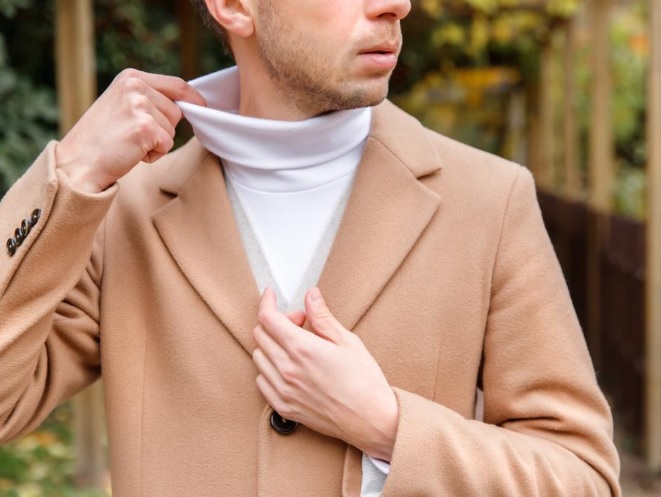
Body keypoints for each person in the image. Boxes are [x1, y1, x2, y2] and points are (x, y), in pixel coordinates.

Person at [0, 0, 621, 495]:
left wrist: (390, 428)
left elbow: (583, 477)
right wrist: (70, 172)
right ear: (234, 6)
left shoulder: (490, 200)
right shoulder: (121, 212)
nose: (396, 5)